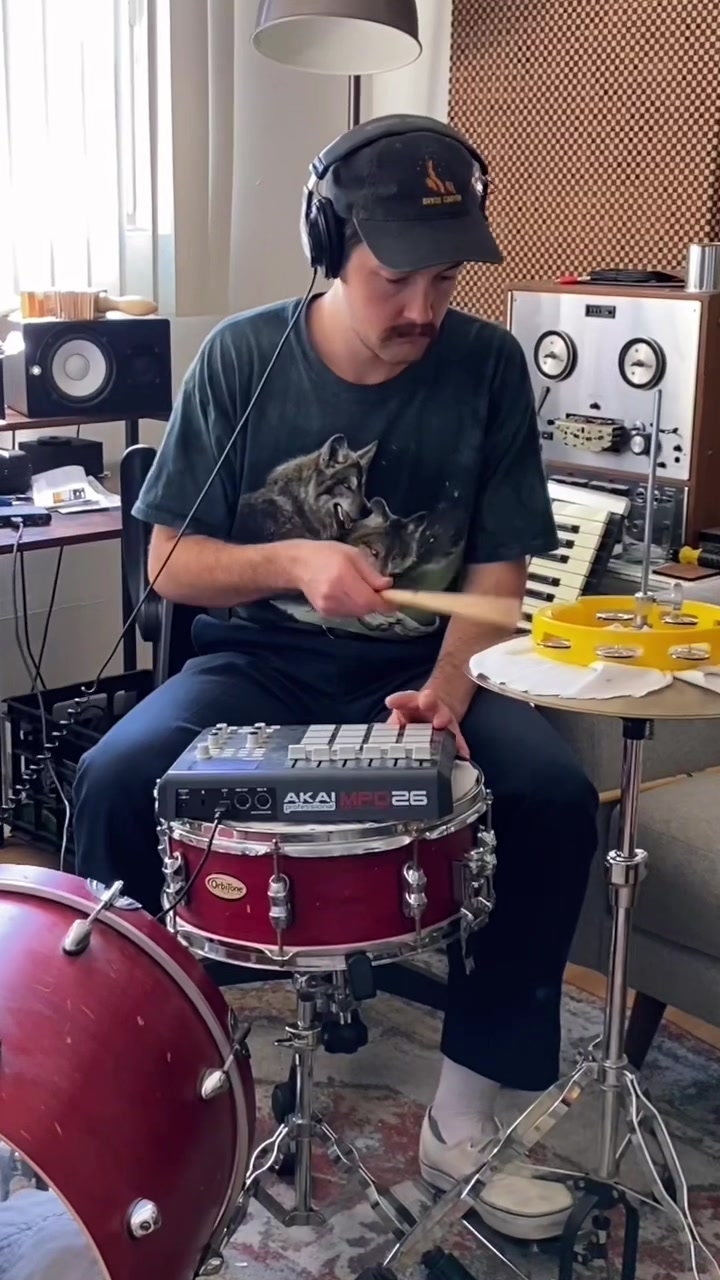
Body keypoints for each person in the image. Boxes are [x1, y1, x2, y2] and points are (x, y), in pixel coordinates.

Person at [73, 114, 598, 1240]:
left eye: (443, 280)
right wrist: (294, 562)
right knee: (114, 779)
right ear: (329, 249)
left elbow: (497, 580)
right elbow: (168, 562)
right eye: (393, 278)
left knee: (553, 800)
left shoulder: (487, 367)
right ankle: (139, 1094)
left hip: (421, 667)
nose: (422, 309)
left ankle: (463, 1114)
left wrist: (448, 691)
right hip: (260, 661)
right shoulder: (241, 359)